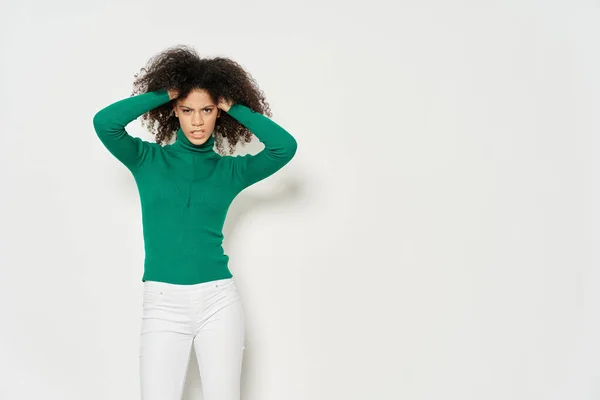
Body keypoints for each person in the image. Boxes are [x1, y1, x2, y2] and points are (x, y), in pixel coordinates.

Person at [92, 45, 298, 400]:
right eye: (187, 110)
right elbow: (104, 123)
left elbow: (284, 147)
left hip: (218, 302)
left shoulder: (230, 171)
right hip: (162, 303)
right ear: (174, 111)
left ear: (218, 113)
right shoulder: (146, 159)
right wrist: (168, 90)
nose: (198, 121)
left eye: (207, 110)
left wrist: (232, 103)